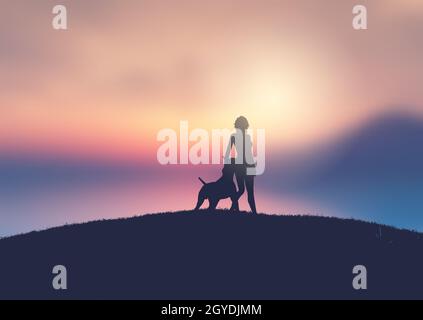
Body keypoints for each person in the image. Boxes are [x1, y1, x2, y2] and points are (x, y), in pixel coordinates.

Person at [225, 116, 257, 214]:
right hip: (245, 166)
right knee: (247, 191)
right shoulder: (240, 137)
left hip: (243, 166)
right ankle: (254, 214)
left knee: (243, 190)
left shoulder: (237, 137)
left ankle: (233, 210)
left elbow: (227, 154)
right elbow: (227, 154)